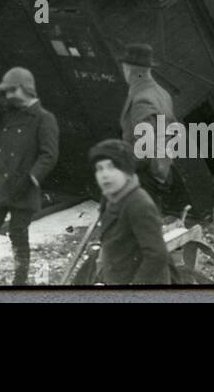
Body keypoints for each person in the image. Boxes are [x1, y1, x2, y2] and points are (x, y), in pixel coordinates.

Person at [0, 67, 59, 286]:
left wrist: (31, 179)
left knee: (18, 235)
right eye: (6, 92)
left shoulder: (44, 118)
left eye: (12, 90)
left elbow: (49, 155)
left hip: (23, 186)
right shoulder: (7, 112)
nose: (9, 96)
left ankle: (19, 283)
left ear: (26, 89)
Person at [87, 139, 170, 285]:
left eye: (112, 167)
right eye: (100, 169)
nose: (105, 175)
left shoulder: (139, 203)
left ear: (127, 171)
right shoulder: (109, 198)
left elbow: (157, 255)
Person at [117, 44, 178, 211]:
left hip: (147, 176)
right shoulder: (161, 92)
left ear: (129, 70)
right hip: (163, 170)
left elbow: (144, 149)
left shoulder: (141, 100)